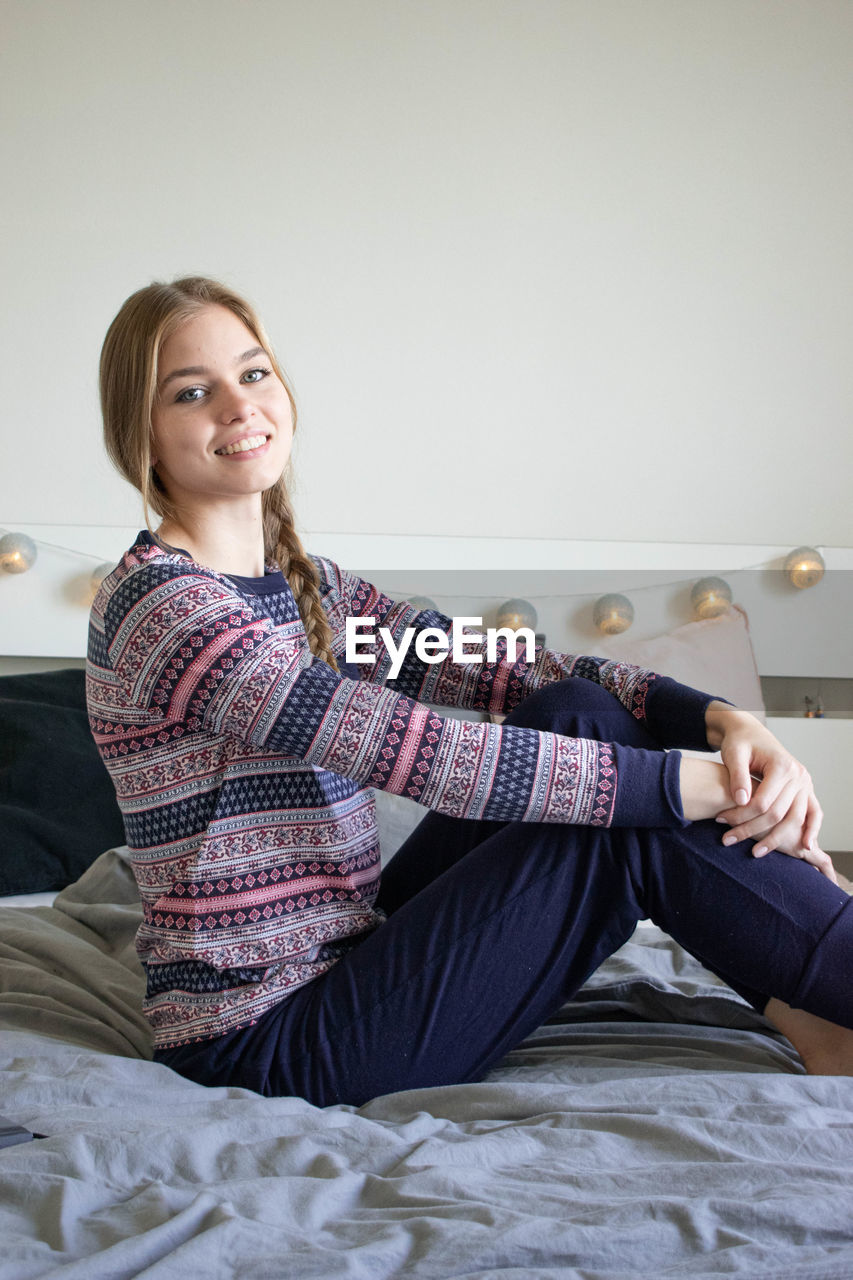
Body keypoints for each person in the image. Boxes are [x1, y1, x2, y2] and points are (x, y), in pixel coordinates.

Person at [87, 275, 853, 1106]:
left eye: (254, 373)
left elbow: (503, 666)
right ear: (144, 437)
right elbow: (419, 753)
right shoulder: (164, 607)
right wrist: (695, 786)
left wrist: (716, 720)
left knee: (577, 716)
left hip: (353, 948)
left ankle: (812, 1014)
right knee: (618, 824)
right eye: (192, 392)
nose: (238, 405)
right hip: (267, 1039)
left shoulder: (315, 592)